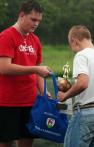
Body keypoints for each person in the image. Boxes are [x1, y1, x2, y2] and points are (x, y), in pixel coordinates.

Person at [0, 1, 51, 147]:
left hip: (30, 101)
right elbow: (4, 68)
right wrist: (34, 69)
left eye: (39, 21)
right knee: (5, 143)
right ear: (22, 15)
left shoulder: (35, 40)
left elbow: (38, 69)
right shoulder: (6, 36)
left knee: (27, 141)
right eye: (33, 19)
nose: (36, 24)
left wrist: (43, 91)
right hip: (7, 102)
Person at [57, 25, 94, 147]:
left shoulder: (81, 55)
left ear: (74, 41)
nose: (72, 49)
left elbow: (83, 83)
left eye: (70, 44)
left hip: (85, 114)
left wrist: (64, 96)